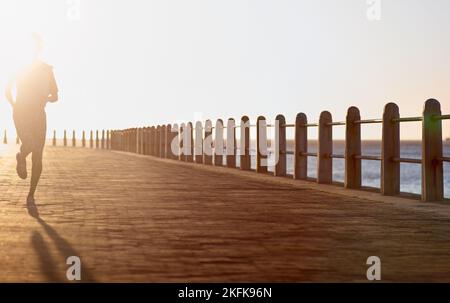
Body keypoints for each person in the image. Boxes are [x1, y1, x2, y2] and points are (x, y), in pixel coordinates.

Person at [4, 33, 59, 202]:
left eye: (37, 47)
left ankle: (31, 194)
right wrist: (15, 106)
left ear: (39, 49)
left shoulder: (46, 69)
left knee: (38, 154)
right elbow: (7, 90)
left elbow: (55, 95)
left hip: (38, 113)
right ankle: (21, 156)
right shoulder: (18, 68)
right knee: (30, 144)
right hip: (21, 112)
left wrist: (46, 99)